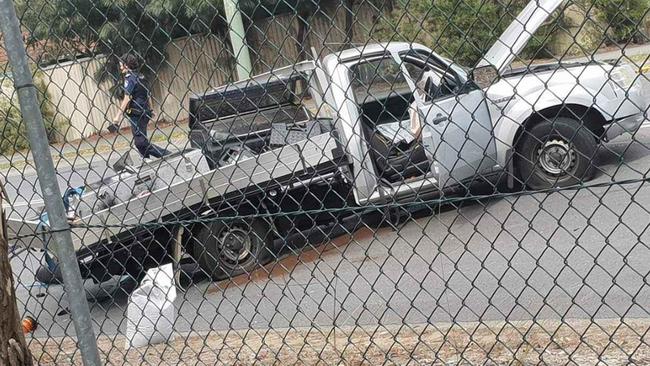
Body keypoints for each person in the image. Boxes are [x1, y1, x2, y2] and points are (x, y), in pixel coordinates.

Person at [112, 53, 169, 159]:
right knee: (141, 140)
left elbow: (127, 98)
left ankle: (167, 154)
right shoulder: (141, 76)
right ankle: (146, 161)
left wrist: (118, 116)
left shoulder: (129, 78)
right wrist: (150, 109)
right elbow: (147, 94)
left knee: (140, 142)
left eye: (121, 65)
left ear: (126, 65)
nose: (120, 68)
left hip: (136, 113)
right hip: (145, 112)